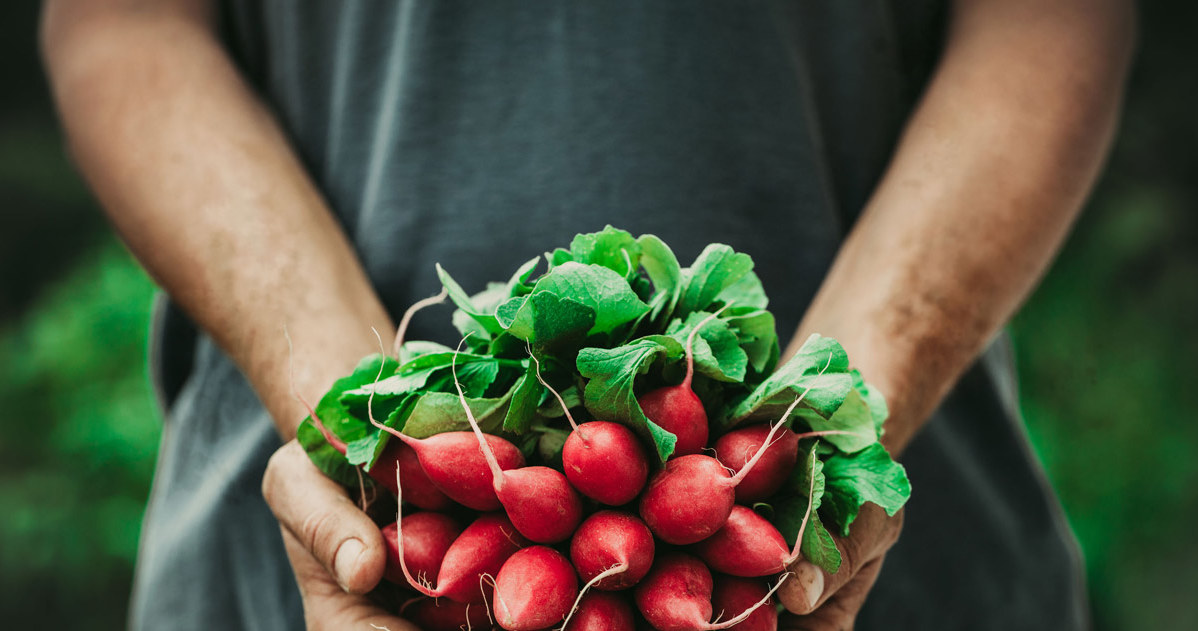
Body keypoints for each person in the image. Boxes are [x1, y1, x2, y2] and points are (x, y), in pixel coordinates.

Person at [41, 0, 1134, 629]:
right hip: (293, 579)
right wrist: (358, 429)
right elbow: (119, 24)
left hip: (896, 586)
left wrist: (819, 436)